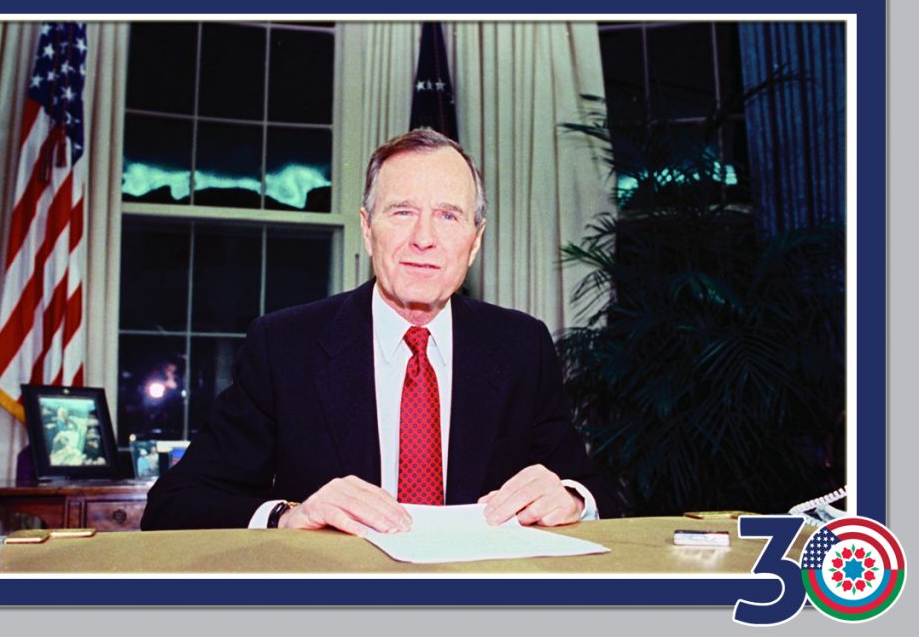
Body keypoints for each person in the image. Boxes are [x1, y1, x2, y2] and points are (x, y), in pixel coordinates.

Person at [141, 130, 617, 534]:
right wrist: (290, 515)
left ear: (475, 242)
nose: (424, 239)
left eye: (448, 215)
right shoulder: (285, 347)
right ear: (368, 229)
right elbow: (174, 504)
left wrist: (572, 499)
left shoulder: (521, 347)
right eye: (403, 211)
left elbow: (601, 493)